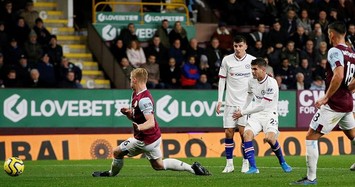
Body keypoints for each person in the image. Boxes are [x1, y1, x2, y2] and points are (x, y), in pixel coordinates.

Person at [92, 68, 210, 177]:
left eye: (130, 80)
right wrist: (129, 114)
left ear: (134, 80)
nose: (130, 82)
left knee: (117, 152)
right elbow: (137, 118)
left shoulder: (144, 99)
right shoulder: (136, 95)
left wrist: (140, 127)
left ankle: (110, 174)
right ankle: (193, 168)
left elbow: (151, 122)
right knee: (158, 165)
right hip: (154, 137)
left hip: (144, 140)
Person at [292, 21, 355, 185]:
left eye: (328, 34)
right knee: (352, 135)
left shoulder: (335, 51)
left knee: (311, 136)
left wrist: (326, 97)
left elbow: (339, 75)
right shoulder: (352, 52)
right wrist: (350, 88)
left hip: (335, 104)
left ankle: (311, 178)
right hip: (347, 102)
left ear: (331, 34)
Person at [233, 58, 292, 174]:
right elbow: (249, 96)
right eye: (252, 69)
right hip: (256, 116)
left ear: (263, 69)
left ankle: (283, 162)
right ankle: (253, 167)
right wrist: (243, 109)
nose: (253, 71)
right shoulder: (251, 81)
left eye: (255, 69)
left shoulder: (271, 83)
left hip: (269, 114)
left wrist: (243, 113)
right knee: (247, 135)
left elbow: (262, 106)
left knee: (270, 138)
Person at [216, 35, 255, 173]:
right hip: (230, 103)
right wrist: (220, 100)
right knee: (228, 133)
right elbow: (222, 80)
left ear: (245, 46)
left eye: (240, 46)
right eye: (235, 46)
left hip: (245, 104)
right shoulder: (227, 60)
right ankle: (229, 164)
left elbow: (256, 81)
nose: (238, 49)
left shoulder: (252, 61)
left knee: (244, 134)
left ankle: (245, 162)